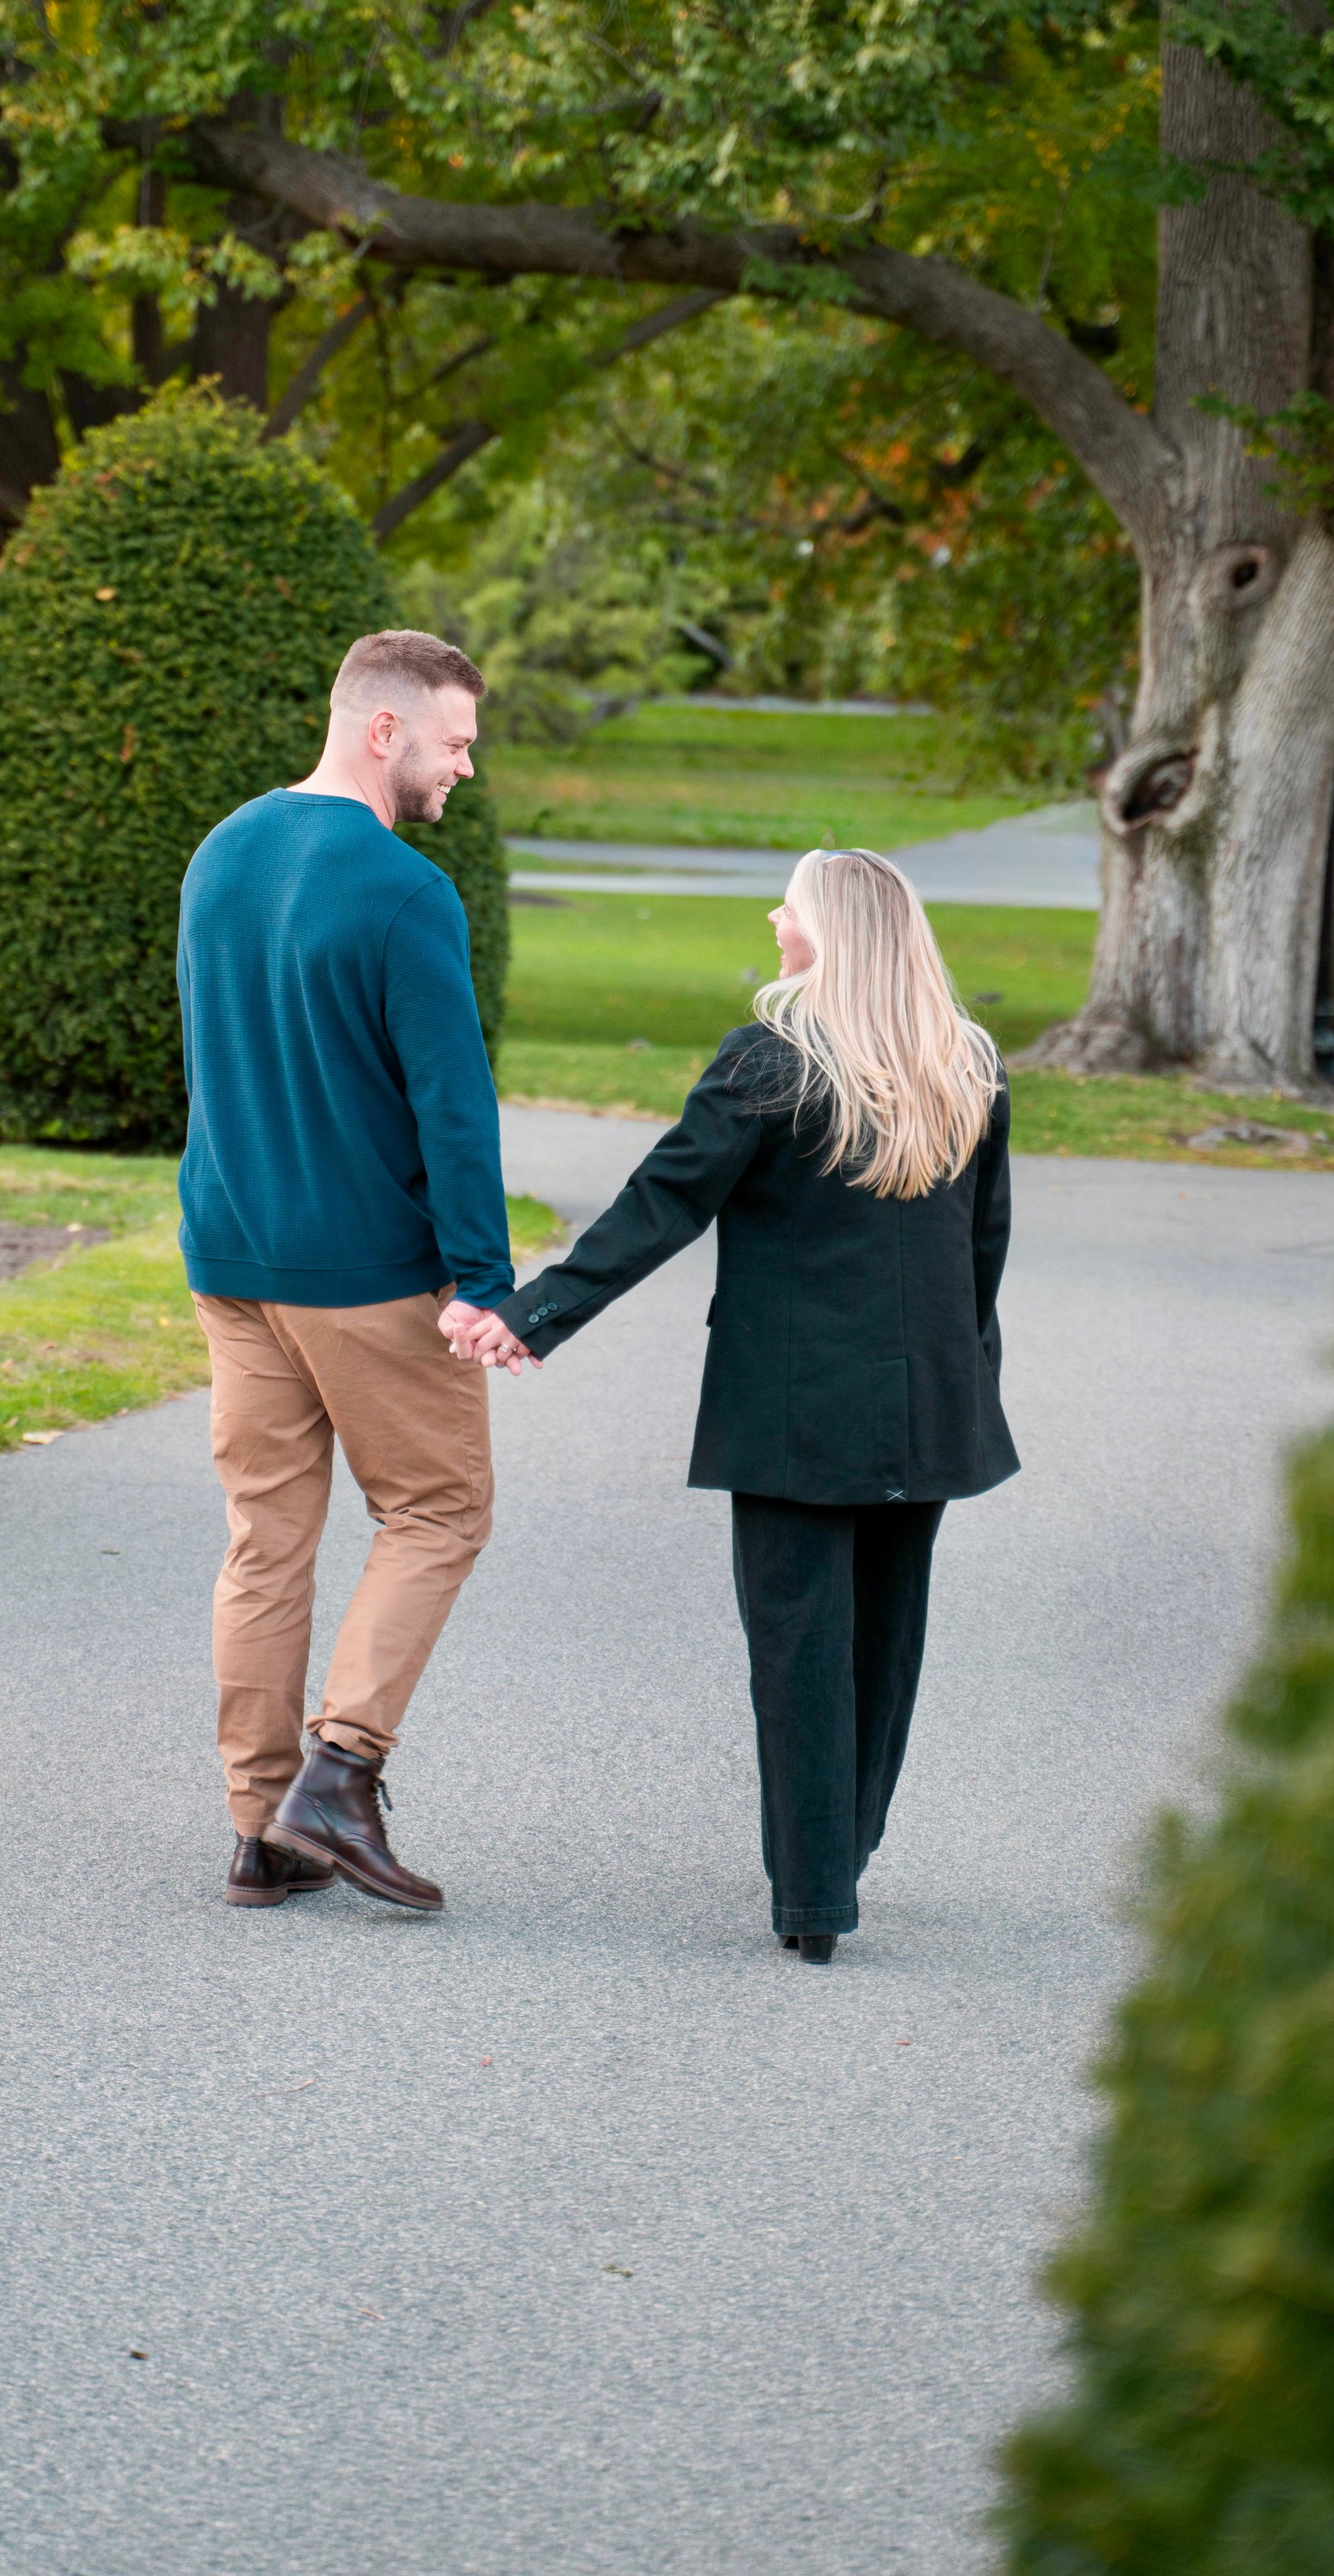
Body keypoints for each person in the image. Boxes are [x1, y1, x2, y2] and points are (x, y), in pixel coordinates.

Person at [448, 850, 1017, 1964]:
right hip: (930, 1404)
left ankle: (814, 1894)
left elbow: (664, 1202)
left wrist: (536, 1311)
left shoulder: (773, 1062)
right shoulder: (968, 1067)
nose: (774, 915)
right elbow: (982, 1248)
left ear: (832, 934)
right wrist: (968, 1376)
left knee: (800, 1644)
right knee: (884, 1643)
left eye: (789, 904)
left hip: (796, 1409)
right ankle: (837, 1857)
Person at [177, 628, 515, 1918]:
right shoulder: (403, 890)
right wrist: (479, 1278)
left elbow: (210, 1055)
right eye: (456, 739)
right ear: (386, 729)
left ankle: (262, 1827)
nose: (464, 768)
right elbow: (453, 1105)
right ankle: (341, 1769)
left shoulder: (222, 851)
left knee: (266, 1538)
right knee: (438, 1510)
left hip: (232, 1254)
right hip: (363, 1270)